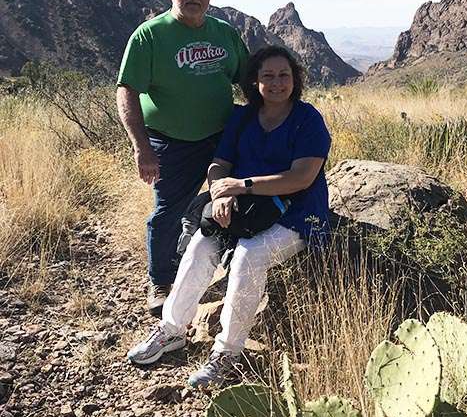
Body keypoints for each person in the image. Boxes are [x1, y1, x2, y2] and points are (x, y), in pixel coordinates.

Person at [127, 45, 331, 389]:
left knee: (249, 256)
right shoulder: (243, 118)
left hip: (296, 213)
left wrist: (241, 186)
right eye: (268, 75)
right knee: (201, 245)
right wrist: (220, 192)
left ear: (296, 79)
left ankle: (227, 353)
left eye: (284, 75)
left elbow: (302, 177)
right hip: (244, 208)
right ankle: (172, 329)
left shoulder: (307, 120)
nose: (277, 83)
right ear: (255, 81)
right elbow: (219, 164)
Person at [116, 0, 248, 316]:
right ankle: (160, 280)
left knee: (234, 198)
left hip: (222, 137)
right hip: (172, 142)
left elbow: (248, 80)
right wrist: (141, 148)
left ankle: (226, 259)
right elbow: (127, 91)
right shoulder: (150, 36)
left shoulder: (225, 34)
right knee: (167, 211)